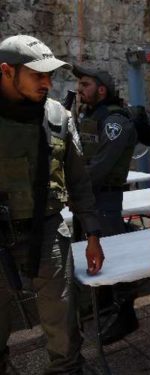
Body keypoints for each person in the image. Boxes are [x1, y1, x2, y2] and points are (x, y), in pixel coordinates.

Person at [0, 34, 105, 374]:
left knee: (63, 325)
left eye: (50, 75)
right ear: (6, 71)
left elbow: (78, 180)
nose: (47, 82)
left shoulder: (58, 116)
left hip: (47, 231)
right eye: (37, 75)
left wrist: (92, 234)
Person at [73, 65, 139, 343]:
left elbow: (100, 166)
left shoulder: (115, 121)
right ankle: (101, 301)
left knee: (114, 252)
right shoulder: (88, 114)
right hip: (88, 195)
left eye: (85, 85)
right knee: (90, 250)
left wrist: (71, 182)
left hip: (105, 196)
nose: (79, 90)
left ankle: (125, 313)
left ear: (102, 89)